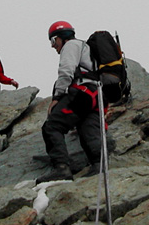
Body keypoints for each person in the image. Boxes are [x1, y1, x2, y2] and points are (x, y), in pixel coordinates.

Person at [37, 21, 103, 183]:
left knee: (52, 125)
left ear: (61, 38)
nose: (53, 46)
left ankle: (62, 168)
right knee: (86, 127)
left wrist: (57, 97)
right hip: (97, 95)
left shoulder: (71, 46)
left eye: (53, 41)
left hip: (82, 92)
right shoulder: (85, 48)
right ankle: (99, 165)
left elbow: (66, 71)